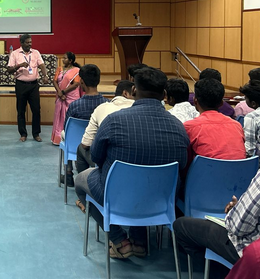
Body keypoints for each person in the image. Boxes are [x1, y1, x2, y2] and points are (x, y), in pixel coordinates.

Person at [74, 67, 189, 259]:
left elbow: (95, 156)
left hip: (117, 194)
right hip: (161, 199)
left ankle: (120, 241)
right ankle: (139, 241)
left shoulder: (113, 121)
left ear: (134, 90)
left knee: (80, 181)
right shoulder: (179, 126)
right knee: (145, 182)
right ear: (164, 94)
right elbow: (182, 165)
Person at [174, 135, 260, 279]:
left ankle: (222, 272)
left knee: (181, 226)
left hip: (252, 250)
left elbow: (237, 229)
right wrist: (241, 206)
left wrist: (234, 211)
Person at [74, 80, 134, 199]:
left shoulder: (102, 108)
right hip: (141, 174)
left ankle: (83, 199)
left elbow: (86, 144)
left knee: (81, 148)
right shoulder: (147, 113)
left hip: (110, 170)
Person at [60, 64, 108, 186]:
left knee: (64, 135)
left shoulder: (74, 106)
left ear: (81, 82)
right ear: (98, 81)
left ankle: (68, 173)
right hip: (99, 149)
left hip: (76, 146)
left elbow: (66, 128)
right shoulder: (107, 104)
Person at [184, 78, 246, 168]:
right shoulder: (237, 125)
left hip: (204, 175)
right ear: (222, 103)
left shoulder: (189, 127)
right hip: (241, 175)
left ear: (195, 101)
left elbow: (185, 163)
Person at [7, 34, 48, 142]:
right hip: (21, 85)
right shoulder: (15, 54)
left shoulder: (36, 52)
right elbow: (9, 70)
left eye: (30, 42)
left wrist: (45, 76)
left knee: (36, 110)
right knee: (21, 111)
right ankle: (23, 134)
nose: (30, 44)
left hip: (33, 85)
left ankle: (36, 134)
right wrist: (19, 65)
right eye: (27, 42)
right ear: (21, 43)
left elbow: (42, 65)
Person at [51, 52, 82, 145]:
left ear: (70, 60)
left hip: (71, 97)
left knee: (68, 117)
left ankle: (70, 139)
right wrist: (60, 93)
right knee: (58, 117)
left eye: (65, 58)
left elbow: (76, 84)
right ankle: (57, 139)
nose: (63, 60)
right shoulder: (60, 69)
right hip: (60, 96)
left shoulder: (76, 70)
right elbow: (54, 81)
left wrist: (63, 92)